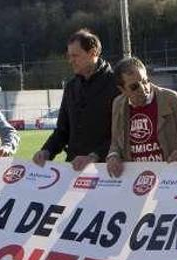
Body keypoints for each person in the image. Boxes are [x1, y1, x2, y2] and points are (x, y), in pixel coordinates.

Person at [33, 29, 119, 170]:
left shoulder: (116, 84)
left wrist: (95, 156)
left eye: (75, 56)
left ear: (93, 53)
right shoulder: (71, 87)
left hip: (106, 172)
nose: (70, 60)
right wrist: (46, 151)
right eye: (69, 56)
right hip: (73, 170)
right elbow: (62, 130)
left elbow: (122, 133)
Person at [105, 57, 177, 177]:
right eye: (134, 87)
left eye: (145, 81)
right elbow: (116, 142)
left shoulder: (173, 101)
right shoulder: (118, 104)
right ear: (122, 90)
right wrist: (113, 155)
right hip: (137, 180)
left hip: (171, 177)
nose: (143, 89)